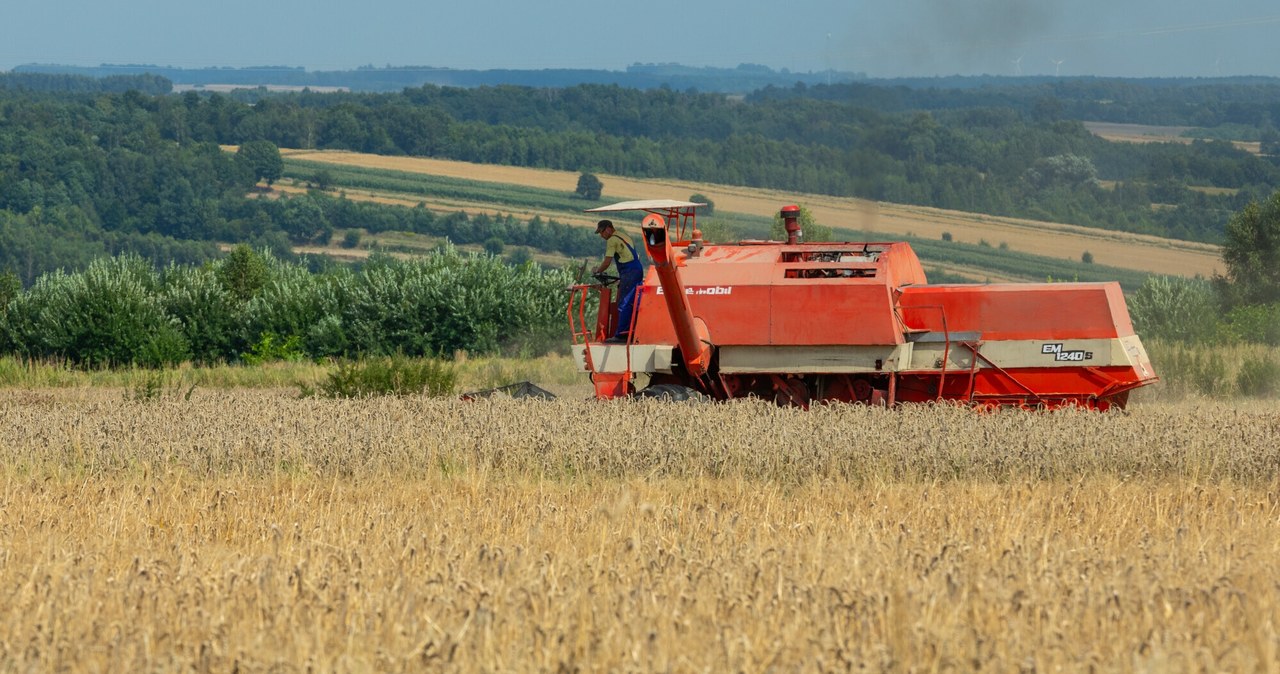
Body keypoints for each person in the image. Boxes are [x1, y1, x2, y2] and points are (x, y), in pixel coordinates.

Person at [593, 219, 644, 343]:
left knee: (624, 302)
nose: (601, 235)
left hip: (629, 272)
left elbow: (607, 261)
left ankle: (621, 335)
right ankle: (635, 330)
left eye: (602, 232)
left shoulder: (612, 240)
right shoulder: (623, 236)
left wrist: (597, 271)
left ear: (609, 229)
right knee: (634, 302)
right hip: (637, 270)